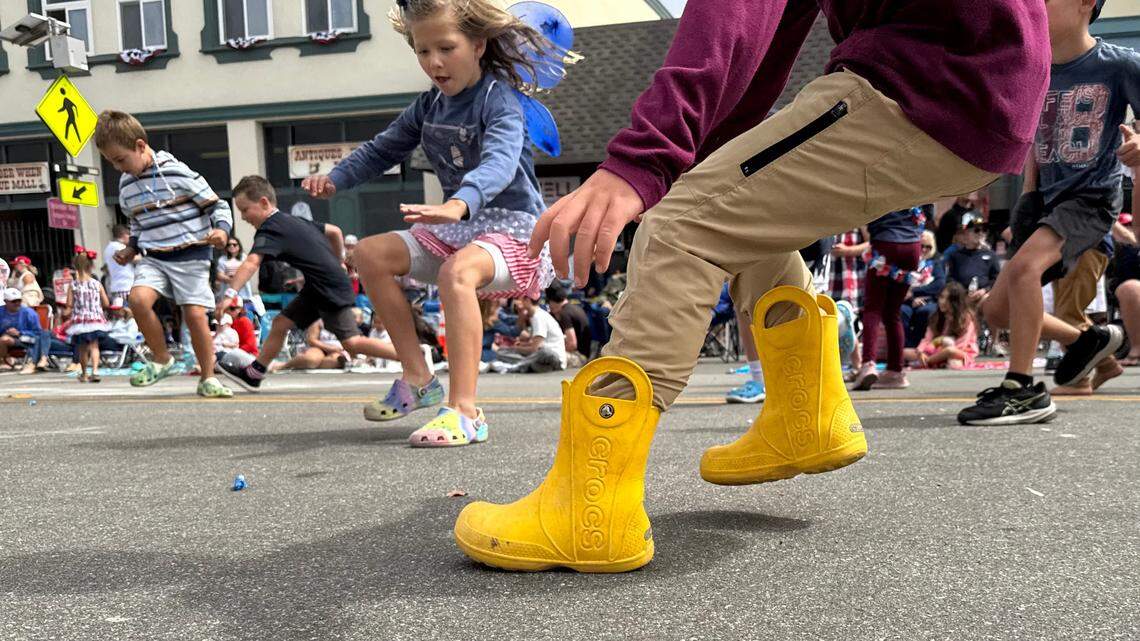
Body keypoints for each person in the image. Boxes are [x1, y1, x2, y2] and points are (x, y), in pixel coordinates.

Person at [452, 0, 1049, 572]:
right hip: (973, 77)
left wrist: (646, 157)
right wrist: (702, 156)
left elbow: (732, 12)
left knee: (680, 230)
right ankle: (804, 416)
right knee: (731, 216)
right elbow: (771, 35)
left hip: (932, 75)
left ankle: (589, 511)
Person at [302, 0, 562, 448]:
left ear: (478, 44)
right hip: (460, 227)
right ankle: (418, 378)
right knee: (369, 253)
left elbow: (500, 161)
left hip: (515, 230)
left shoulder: (499, 100)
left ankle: (466, 411)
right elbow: (382, 149)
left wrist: (461, 202)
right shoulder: (429, 106)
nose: (434, 62)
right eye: (423, 51)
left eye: (446, 47)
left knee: (456, 272)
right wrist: (336, 178)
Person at [959, 0, 1136, 425]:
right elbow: (1037, 145)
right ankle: (1090, 345)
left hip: (1090, 199)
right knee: (997, 311)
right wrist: (1028, 196)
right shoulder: (1036, 70)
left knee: (1023, 273)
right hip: (1045, 204)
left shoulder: (1119, 64)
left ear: (1084, 3)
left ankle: (1023, 390)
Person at [96, 110, 235, 398]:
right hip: (155, 257)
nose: (118, 167)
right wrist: (132, 247)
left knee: (195, 315)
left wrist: (221, 231)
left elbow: (217, 205)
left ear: (140, 145)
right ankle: (162, 359)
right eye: (111, 162)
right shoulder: (126, 184)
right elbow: (136, 221)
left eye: (120, 159)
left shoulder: (177, 172)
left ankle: (208, 377)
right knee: (137, 299)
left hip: (191, 255)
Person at [215, 176, 399, 391]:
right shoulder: (292, 220)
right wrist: (338, 259)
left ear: (264, 203)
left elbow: (251, 262)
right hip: (319, 284)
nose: (243, 217)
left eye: (245, 210)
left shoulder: (270, 228)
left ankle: (413, 354)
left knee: (351, 343)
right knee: (281, 324)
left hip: (328, 286)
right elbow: (334, 231)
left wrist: (229, 295)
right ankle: (255, 373)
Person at [852, 207, 927, 390]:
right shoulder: (919, 178)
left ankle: (868, 363)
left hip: (885, 241)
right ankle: (895, 371)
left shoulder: (880, 177)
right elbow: (929, 210)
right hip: (912, 246)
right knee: (893, 312)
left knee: (873, 308)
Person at [906, 282, 979, 369]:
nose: (942, 302)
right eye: (941, 297)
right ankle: (932, 361)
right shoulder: (936, 316)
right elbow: (927, 339)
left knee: (950, 352)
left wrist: (936, 352)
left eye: (947, 299)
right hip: (937, 351)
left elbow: (961, 345)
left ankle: (928, 361)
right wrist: (920, 352)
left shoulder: (966, 318)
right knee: (904, 352)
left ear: (955, 302)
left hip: (958, 352)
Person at [65, 247, 111, 383]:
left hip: (80, 321)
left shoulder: (73, 285)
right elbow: (107, 303)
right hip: (95, 319)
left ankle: (84, 374)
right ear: (91, 266)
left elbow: (69, 304)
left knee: (82, 348)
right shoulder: (97, 284)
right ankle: (95, 371)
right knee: (94, 346)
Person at [489, 295, 567, 373]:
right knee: (502, 352)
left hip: (553, 357)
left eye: (521, 299)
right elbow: (533, 342)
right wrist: (518, 346)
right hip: (541, 360)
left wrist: (516, 348)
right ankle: (525, 365)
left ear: (528, 300)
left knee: (544, 352)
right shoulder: (533, 316)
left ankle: (517, 366)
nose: (518, 302)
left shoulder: (538, 317)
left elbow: (535, 348)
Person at [900, 230, 946, 348]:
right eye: (921, 246)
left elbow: (939, 284)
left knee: (926, 312)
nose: (924, 249)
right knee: (901, 312)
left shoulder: (935, 264)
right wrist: (912, 299)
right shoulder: (906, 263)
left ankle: (919, 346)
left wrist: (915, 292)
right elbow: (900, 283)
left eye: (928, 247)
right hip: (907, 300)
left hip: (928, 300)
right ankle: (906, 347)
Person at [945, 217, 1000, 301]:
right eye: (977, 230)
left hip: (984, 297)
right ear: (967, 234)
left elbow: (997, 278)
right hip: (961, 298)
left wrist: (985, 290)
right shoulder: (956, 256)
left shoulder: (991, 255)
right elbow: (950, 278)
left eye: (984, 230)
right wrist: (960, 292)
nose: (981, 233)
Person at [0, 287, 51, 373]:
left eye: (19, 301)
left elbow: (38, 332)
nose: (17, 303)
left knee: (4, 339)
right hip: (7, 337)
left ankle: (4, 362)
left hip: (26, 339)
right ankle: (7, 360)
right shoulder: (1, 311)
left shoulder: (29, 313)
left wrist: (19, 333)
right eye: (13, 301)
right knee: (4, 338)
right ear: (6, 301)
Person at [545, 284, 591, 366]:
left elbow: (572, 345)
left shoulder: (564, 314)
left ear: (552, 301)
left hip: (579, 357)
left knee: (545, 354)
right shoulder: (574, 308)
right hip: (584, 354)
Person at [103, 224, 136, 304]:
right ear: (124, 235)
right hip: (125, 286)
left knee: (120, 313)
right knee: (129, 314)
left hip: (115, 285)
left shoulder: (108, 247)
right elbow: (135, 259)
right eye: (129, 235)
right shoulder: (120, 247)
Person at [216, 236, 254, 302]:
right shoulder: (222, 259)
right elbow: (219, 275)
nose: (232, 246)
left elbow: (248, 272)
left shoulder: (244, 257)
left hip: (243, 290)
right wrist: (230, 279)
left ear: (239, 246)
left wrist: (238, 280)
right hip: (227, 289)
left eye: (234, 244)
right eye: (229, 245)